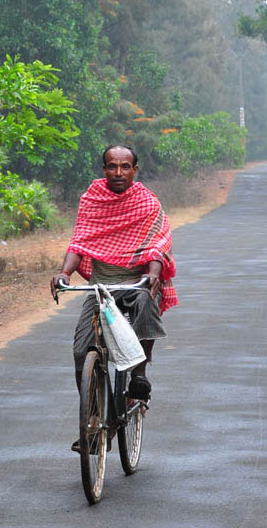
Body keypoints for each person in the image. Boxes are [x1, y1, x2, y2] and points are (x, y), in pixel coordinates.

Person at [50, 145, 177, 438]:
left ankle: (140, 375)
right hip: (101, 286)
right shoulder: (91, 199)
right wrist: (64, 273)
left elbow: (158, 243)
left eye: (124, 166)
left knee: (146, 302)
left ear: (135, 169)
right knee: (83, 350)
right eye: (111, 166)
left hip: (135, 282)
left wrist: (153, 275)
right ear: (103, 169)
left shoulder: (147, 202)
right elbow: (79, 242)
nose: (118, 172)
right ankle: (94, 421)